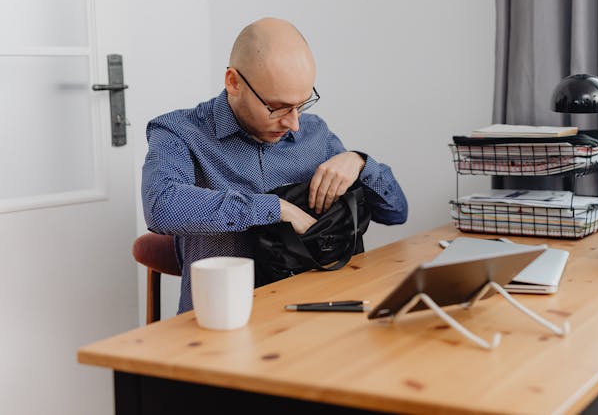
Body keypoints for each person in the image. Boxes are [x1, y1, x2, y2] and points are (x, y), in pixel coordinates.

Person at [141, 18, 408, 313]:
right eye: (278, 107)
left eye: (302, 105)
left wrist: (360, 162)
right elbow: (161, 206)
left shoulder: (315, 134)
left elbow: (396, 212)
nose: (293, 123)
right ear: (234, 82)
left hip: (318, 317)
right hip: (223, 325)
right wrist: (276, 209)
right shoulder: (178, 132)